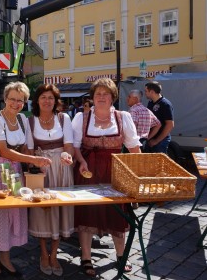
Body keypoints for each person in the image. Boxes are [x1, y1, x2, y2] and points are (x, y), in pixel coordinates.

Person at [71, 78, 141, 277]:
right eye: (98, 94)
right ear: (92, 97)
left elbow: (134, 147)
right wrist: (81, 161)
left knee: (117, 213)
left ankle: (121, 255)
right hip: (88, 170)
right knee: (87, 213)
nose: (101, 97)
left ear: (112, 97)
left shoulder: (123, 117)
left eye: (106, 94)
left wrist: (139, 174)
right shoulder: (81, 118)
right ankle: (86, 257)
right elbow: (75, 146)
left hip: (115, 172)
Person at [0, 81, 51, 279]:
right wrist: (33, 159)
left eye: (20, 100)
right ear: (5, 99)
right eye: (12, 99)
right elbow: (4, 150)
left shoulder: (22, 119)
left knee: (14, 213)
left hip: (14, 170)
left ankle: (5, 257)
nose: (15, 103)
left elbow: (25, 148)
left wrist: (34, 161)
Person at [26, 84, 74, 277]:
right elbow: (28, 151)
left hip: (62, 169)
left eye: (51, 98)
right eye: (44, 97)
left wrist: (66, 156)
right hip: (42, 170)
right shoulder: (30, 122)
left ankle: (54, 254)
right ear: (37, 100)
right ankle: (44, 254)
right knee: (42, 212)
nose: (47, 101)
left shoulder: (64, 119)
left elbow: (69, 146)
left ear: (56, 101)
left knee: (60, 210)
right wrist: (37, 164)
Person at [145, 81, 174, 153]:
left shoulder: (165, 104)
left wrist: (156, 140)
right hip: (151, 138)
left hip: (160, 141)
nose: (145, 93)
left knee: (159, 163)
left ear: (152, 92)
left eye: (146, 91)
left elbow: (170, 125)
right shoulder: (150, 103)